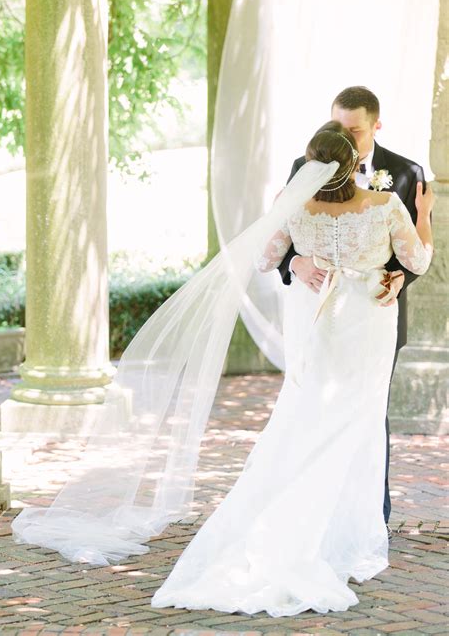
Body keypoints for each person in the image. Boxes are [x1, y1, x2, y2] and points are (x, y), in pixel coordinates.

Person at [150, 123, 433, 616]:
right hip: (366, 326)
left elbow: (263, 259)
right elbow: (420, 260)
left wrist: (299, 256)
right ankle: (338, 535)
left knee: (309, 421)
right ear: (351, 162)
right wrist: (424, 215)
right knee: (356, 426)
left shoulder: (296, 206)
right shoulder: (386, 207)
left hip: (318, 328)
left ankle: (302, 523)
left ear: (312, 166)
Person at [277, 87, 427, 534]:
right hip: (319, 312)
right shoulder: (303, 168)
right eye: (337, 126)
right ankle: (310, 512)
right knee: (314, 404)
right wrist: (295, 263)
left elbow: (411, 252)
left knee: (367, 410)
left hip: (374, 313)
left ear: (376, 126)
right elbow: (280, 237)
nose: (342, 136)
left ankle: (368, 516)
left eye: (354, 129)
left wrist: (401, 277)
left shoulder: (405, 171)